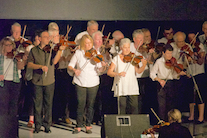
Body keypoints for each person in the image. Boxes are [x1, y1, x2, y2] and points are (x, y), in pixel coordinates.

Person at [27, 30, 65, 133]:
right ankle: (37, 126)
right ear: (39, 39)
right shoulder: (34, 50)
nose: (48, 39)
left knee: (48, 104)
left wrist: (60, 51)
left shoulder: (52, 50)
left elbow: (55, 61)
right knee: (37, 104)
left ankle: (47, 126)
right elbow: (29, 64)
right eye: (46, 37)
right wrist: (40, 67)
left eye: (49, 37)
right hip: (37, 81)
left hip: (49, 81)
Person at [68, 34, 106, 134]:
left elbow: (100, 69)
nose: (89, 45)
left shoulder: (96, 52)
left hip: (93, 82)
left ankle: (88, 125)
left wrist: (103, 66)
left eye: (90, 43)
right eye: (86, 43)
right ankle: (79, 125)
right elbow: (70, 66)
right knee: (80, 104)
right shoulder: (78, 53)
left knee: (90, 105)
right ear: (83, 44)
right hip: (80, 82)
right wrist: (75, 70)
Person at [107, 38, 147, 114]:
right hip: (121, 85)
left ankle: (134, 125)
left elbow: (138, 71)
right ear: (121, 48)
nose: (127, 49)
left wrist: (144, 65)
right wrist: (118, 74)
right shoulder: (116, 59)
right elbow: (109, 72)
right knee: (122, 107)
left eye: (128, 47)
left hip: (132, 85)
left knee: (134, 106)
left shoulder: (133, 57)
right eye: (125, 47)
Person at [150, 44, 186, 120]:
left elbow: (174, 76)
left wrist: (179, 73)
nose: (170, 55)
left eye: (171, 53)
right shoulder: (159, 61)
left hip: (170, 83)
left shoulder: (173, 61)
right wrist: (159, 80)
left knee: (171, 104)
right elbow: (152, 74)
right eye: (168, 53)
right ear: (163, 53)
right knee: (162, 105)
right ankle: (162, 122)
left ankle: (171, 122)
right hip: (161, 83)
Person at [0, 37, 26, 138]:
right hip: (4, 83)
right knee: (4, 108)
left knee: (13, 108)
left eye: (11, 45)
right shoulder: (0, 57)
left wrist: (21, 60)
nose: (10, 47)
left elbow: (21, 67)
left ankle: (13, 133)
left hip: (15, 82)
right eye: (7, 45)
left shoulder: (16, 56)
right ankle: (3, 132)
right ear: (3, 46)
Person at [187, 33, 206, 124]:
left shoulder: (200, 46)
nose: (192, 39)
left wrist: (199, 55)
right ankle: (191, 116)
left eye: (193, 37)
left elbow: (201, 62)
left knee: (200, 95)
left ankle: (201, 117)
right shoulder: (186, 47)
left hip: (199, 73)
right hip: (190, 73)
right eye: (190, 38)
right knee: (190, 95)